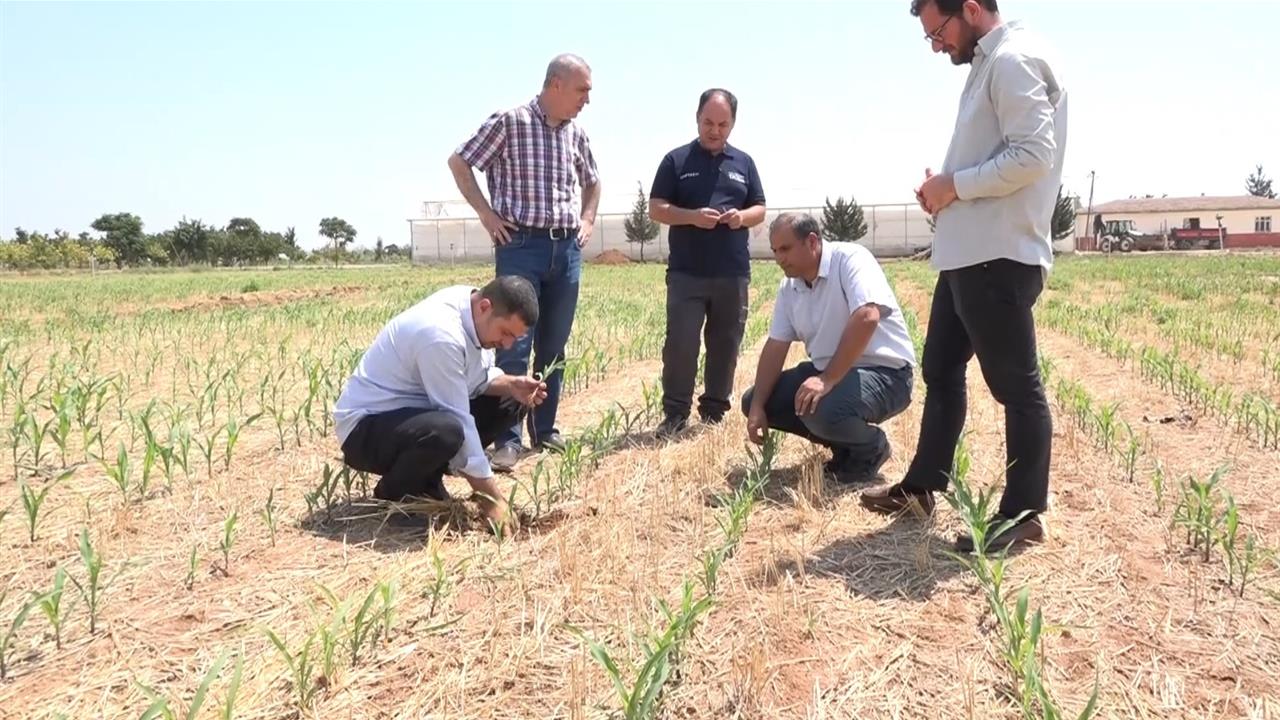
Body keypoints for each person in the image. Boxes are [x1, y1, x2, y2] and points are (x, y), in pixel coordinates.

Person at [860, 0, 1069, 553]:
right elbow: (994, 159)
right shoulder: (987, 64)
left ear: (972, 8)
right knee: (941, 368)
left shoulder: (1014, 59)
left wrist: (955, 185)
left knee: (1017, 389)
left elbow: (1033, 154)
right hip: (967, 253)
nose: (936, 45)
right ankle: (923, 487)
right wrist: (946, 190)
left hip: (996, 256)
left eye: (938, 31)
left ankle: (1023, 514)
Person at [447, 53, 601, 471]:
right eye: (582, 90)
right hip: (520, 246)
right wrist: (485, 213)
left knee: (554, 345)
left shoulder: (576, 133)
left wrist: (587, 219)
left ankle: (545, 430)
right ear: (556, 84)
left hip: (565, 249)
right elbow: (460, 161)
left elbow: (593, 181)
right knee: (513, 342)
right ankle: (507, 439)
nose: (587, 99)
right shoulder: (510, 123)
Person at [333, 277, 548, 528]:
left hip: (415, 416)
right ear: (485, 307)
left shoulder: (473, 311)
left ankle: (427, 479)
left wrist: (511, 385)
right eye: (506, 333)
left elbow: (474, 379)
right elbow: (458, 418)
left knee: (510, 399)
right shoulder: (440, 334)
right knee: (447, 431)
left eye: (515, 338)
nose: (508, 344)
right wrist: (492, 500)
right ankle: (395, 492)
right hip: (365, 429)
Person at [742, 213, 915, 483]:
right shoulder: (790, 287)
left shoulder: (849, 259)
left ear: (812, 241)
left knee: (820, 406)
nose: (779, 258)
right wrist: (756, 408)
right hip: (831, 373)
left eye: (785, 248)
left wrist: (826, 380)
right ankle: (843, 445)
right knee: (758, 400)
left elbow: (867, 315)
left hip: (886, 375)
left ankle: (870, 447)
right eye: (775, 250)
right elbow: (776, 345)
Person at [649, 88, 767, 438]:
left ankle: (714, 410)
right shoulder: (676, 161)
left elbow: (760, 208)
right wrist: (690, 217)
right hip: (687, 273)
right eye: (708, 122)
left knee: (725, 344)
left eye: (722, 124)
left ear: (733, 123)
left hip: (732, 273)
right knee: (681, 344)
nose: (715, 130)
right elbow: (656, 207)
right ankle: (675, 413)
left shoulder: (743, 163)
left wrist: (741, 217)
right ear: (697, 118)